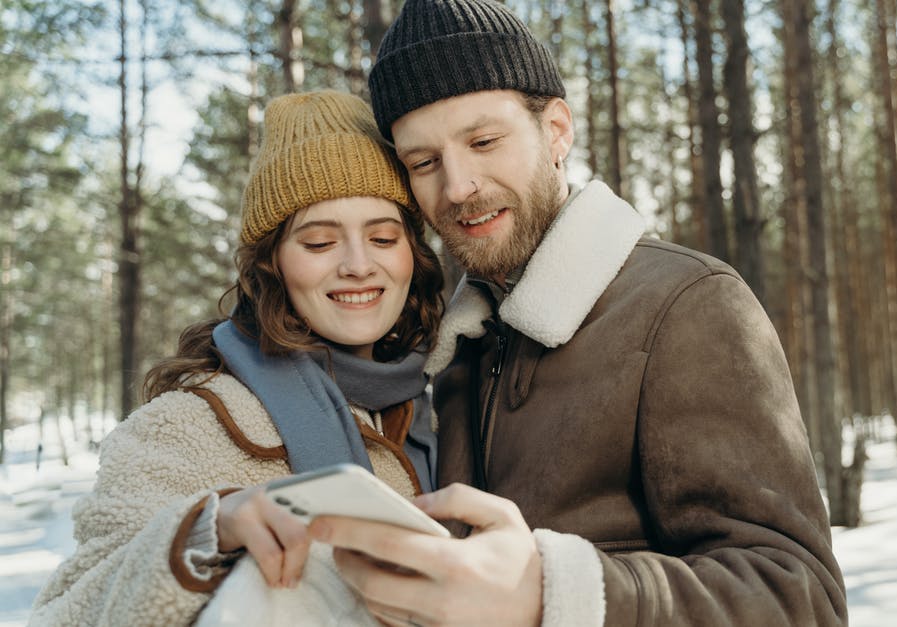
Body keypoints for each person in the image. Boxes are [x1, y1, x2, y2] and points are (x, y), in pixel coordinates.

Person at [306, 1, 849, 626]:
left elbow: (799, 598)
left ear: (557, 130)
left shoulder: (686, 304)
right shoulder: (452, 350)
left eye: (484, 141)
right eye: (423, 162)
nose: (457, 186)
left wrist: (552, 591)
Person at [30, 90, 444, 626]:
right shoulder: (186, 424)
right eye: (319, 243)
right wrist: (209, 529)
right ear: (271, 263)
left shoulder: (445, 407)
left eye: (383, 237)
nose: (358, 265)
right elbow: (65, 612)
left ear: (413, 251)